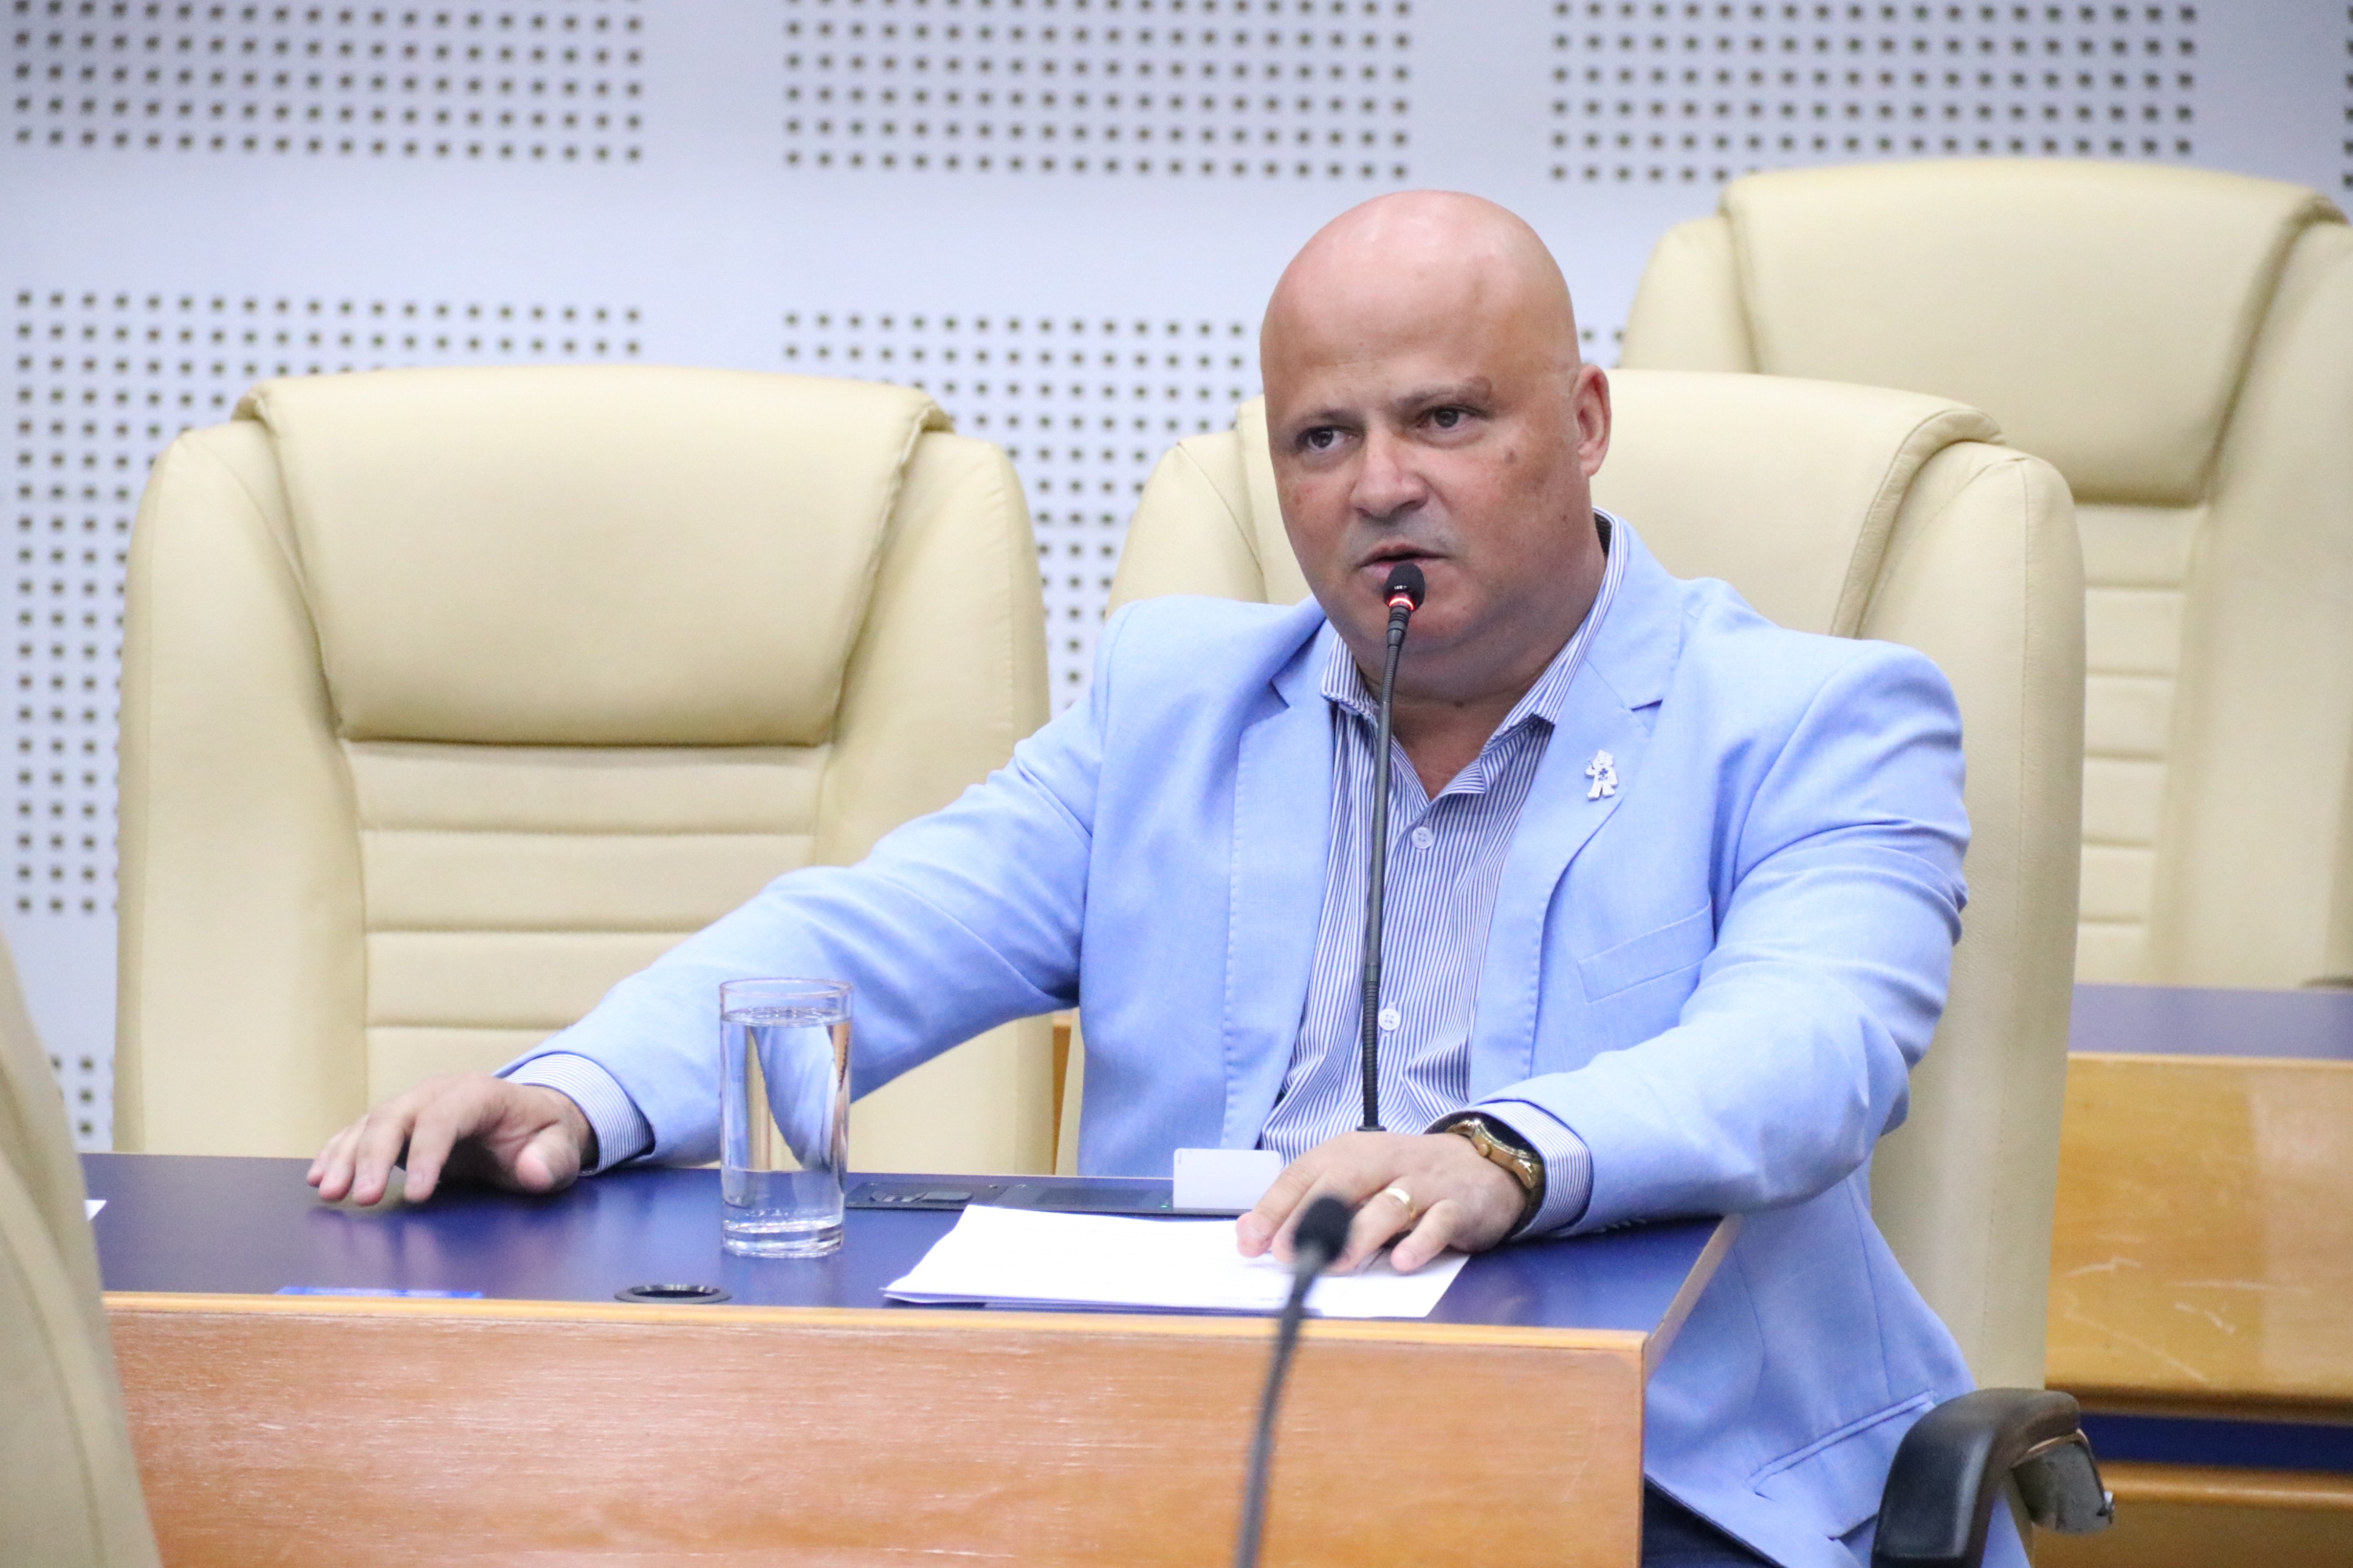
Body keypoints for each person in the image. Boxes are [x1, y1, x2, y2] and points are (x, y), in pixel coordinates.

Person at [309, 191, 2018, 1568]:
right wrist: (573, 1093)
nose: (1382, 487)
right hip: (1182, 1465)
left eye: (1446, 418)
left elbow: (1807, 1053)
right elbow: (871, 934)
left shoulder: (1816, 720)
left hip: (1649, 1482)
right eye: (1322, 439)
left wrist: (1500, 1153)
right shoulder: (1175, 708)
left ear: (1582, 424)